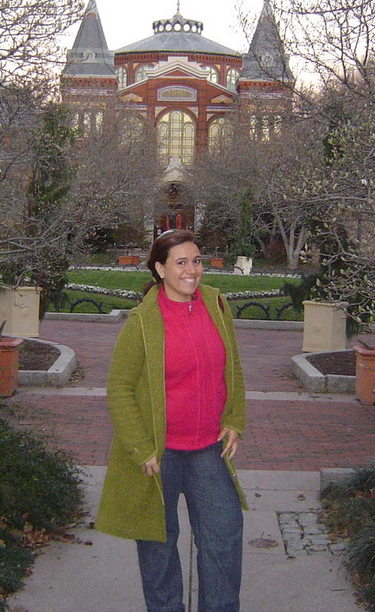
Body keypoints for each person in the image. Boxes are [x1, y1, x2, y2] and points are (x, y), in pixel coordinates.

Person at [95, 229, 247, 612]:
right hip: (160, 455)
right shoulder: (143, 321)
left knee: (223, 538)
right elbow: (119, 388)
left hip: (208, 449)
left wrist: (234, 418)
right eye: (181, 262)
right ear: (160, 269)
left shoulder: (215, 304)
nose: (192, 270)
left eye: (196, 261)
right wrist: (140, 447)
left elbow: (233, 368)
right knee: (159, 547)